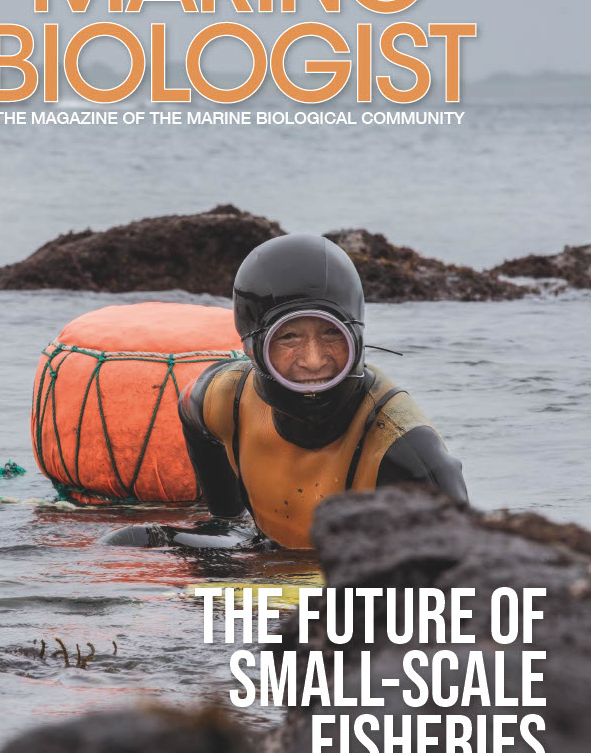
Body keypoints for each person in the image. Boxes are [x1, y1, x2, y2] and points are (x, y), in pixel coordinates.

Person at [105, 233, 467, 550]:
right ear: (251, 347)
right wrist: (225, 519)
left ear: (357, 337)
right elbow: (190, 411)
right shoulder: (224, 397)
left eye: (330, 333)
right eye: (289, 337)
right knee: (131, 539)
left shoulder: (407, 452)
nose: (312, 360)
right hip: (266, 550)